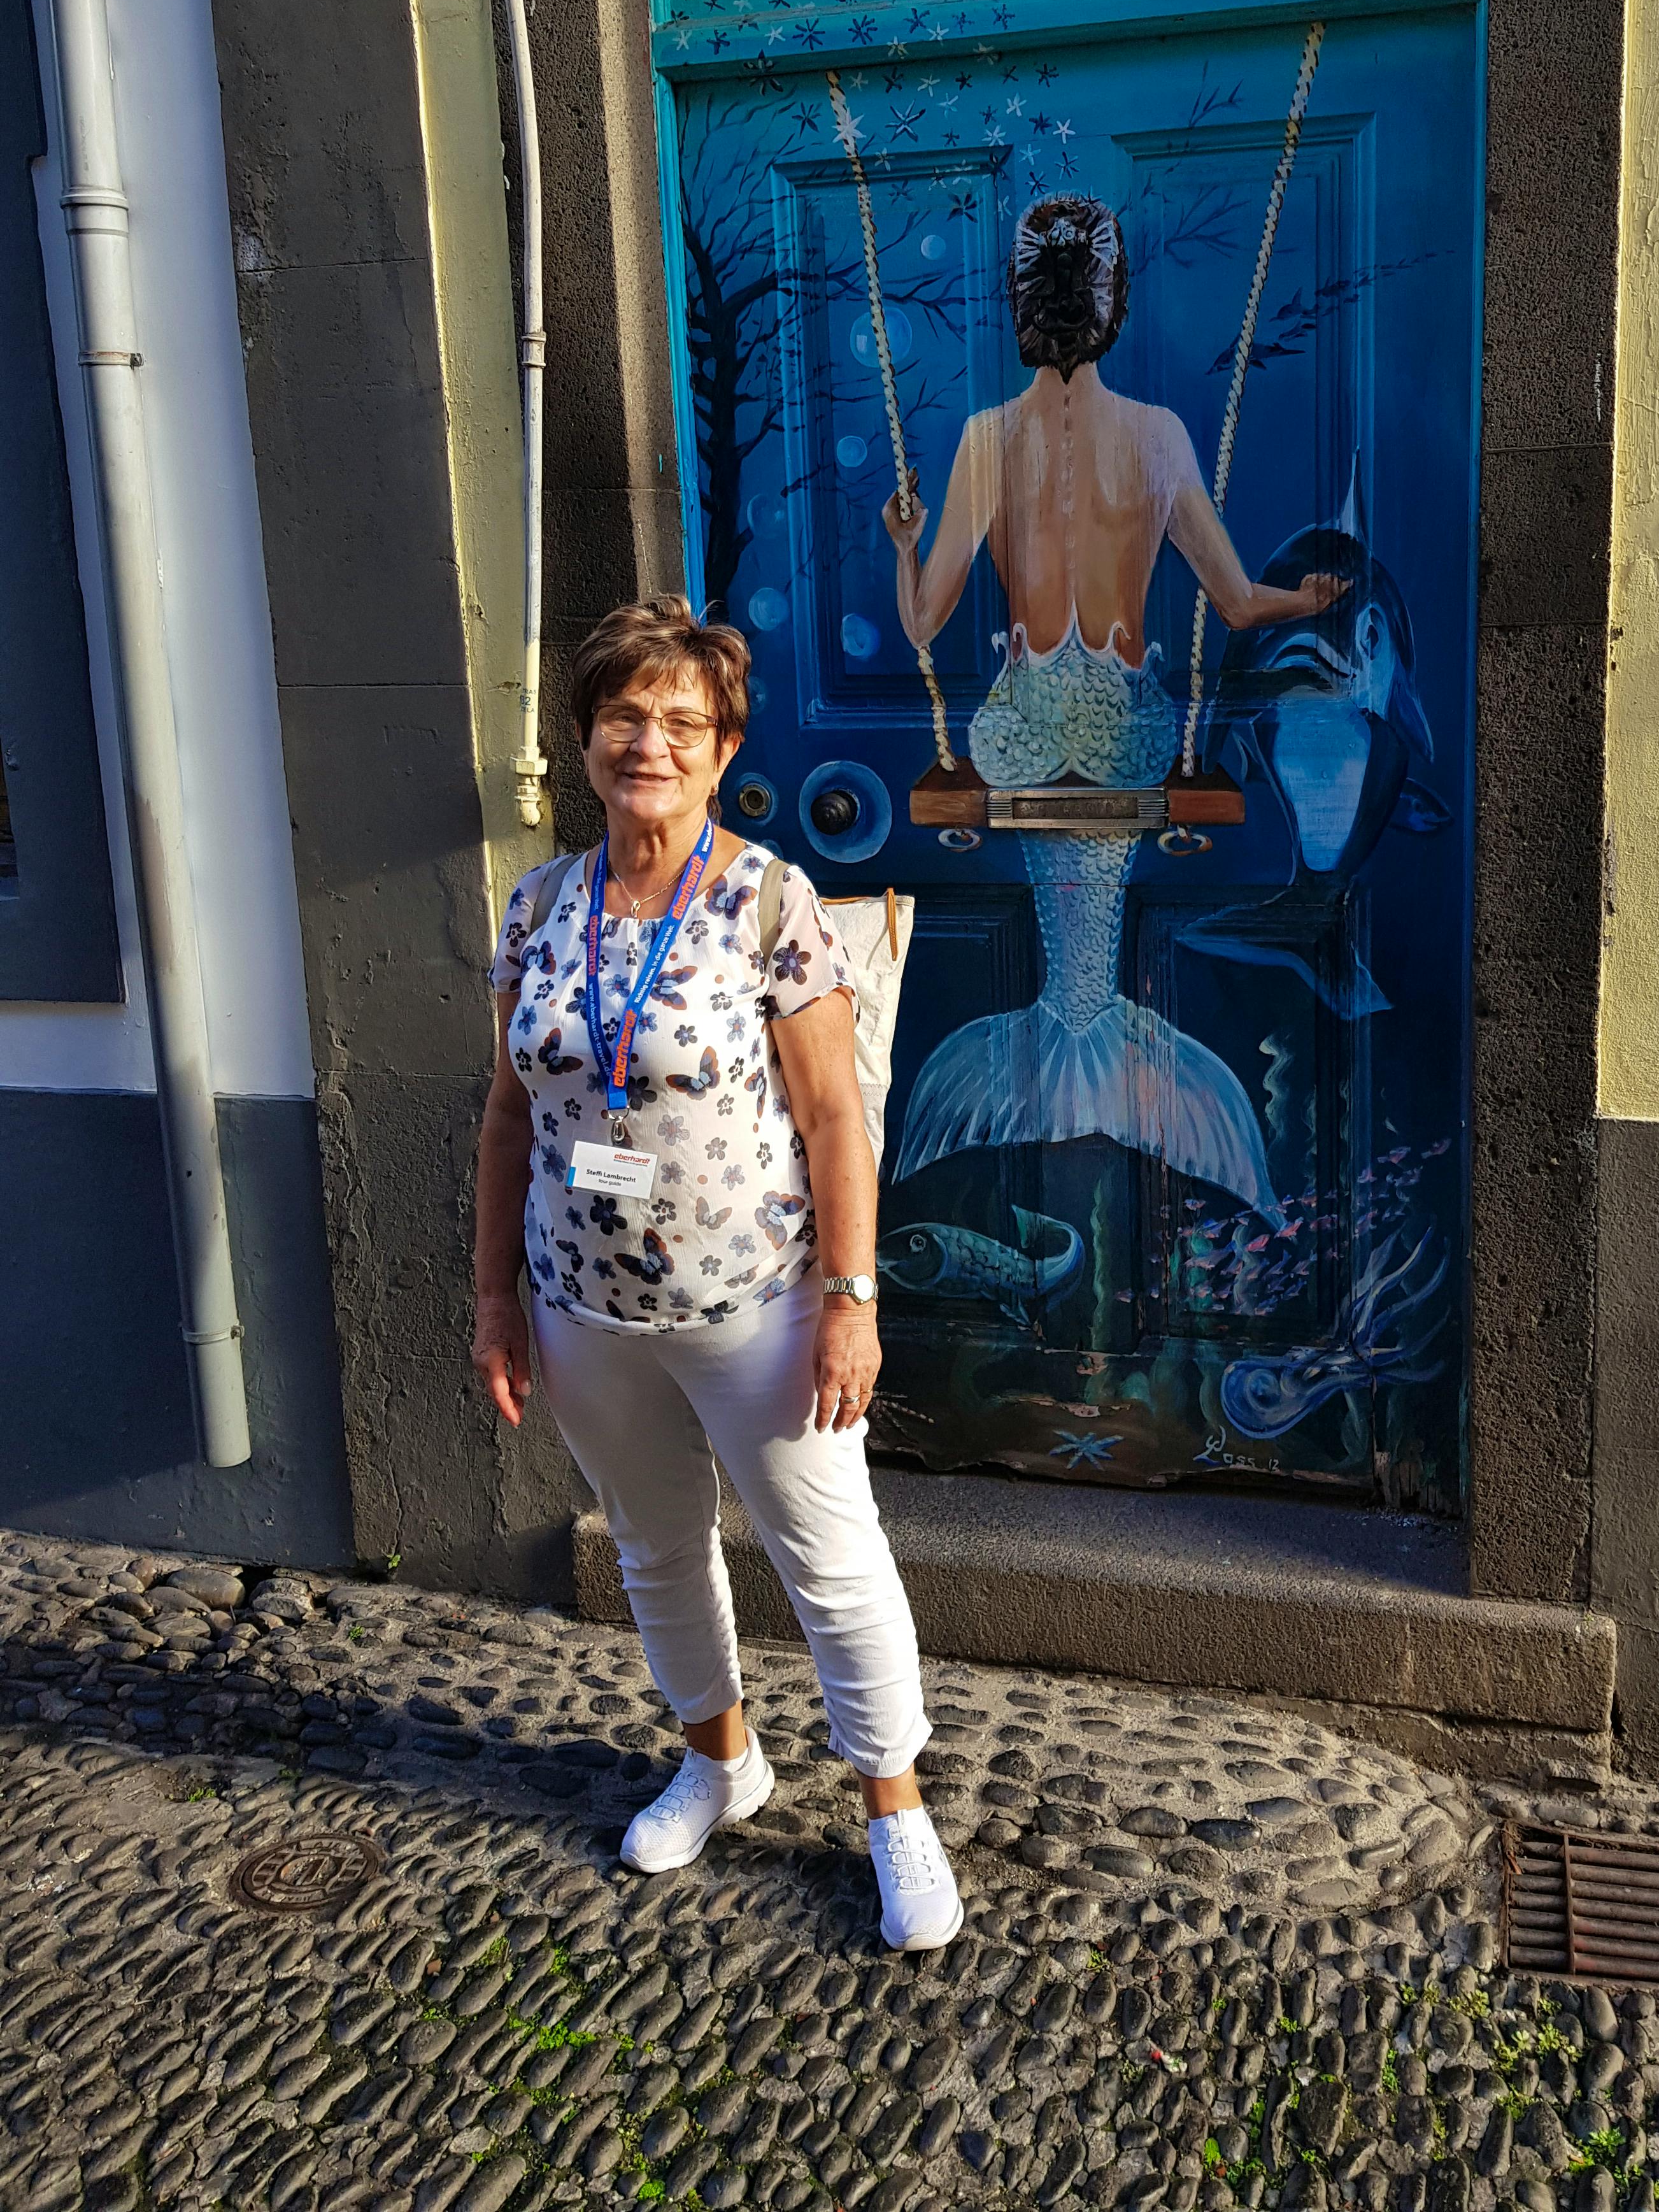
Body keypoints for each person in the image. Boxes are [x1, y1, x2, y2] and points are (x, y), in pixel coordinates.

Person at [470, 596, 960, 1951]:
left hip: (759, 1308)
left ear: (720, 744)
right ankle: (720, 1760)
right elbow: (508, 1113)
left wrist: (853, 1301)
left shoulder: (769, 901)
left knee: (832, 1561)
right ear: (584, 740)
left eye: (683, 721)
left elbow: (834, 1122)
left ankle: (894, 1811)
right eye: (626, 715)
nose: (652, 743)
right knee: (655, 1552)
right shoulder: (538, 908)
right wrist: (498, 1300)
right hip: (585, 1310)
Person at [881, 193, 1346, 1211]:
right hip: (1129, 738)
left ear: (1019, 307)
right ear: (1114, 305)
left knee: (1061, 943)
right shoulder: (1159, 435)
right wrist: (1307, 600)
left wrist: (904, 542)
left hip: (1017, 739)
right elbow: (1236, 601)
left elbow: (921, 626)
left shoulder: (984, 440)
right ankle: (1109, 1056)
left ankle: (1059, 1045)